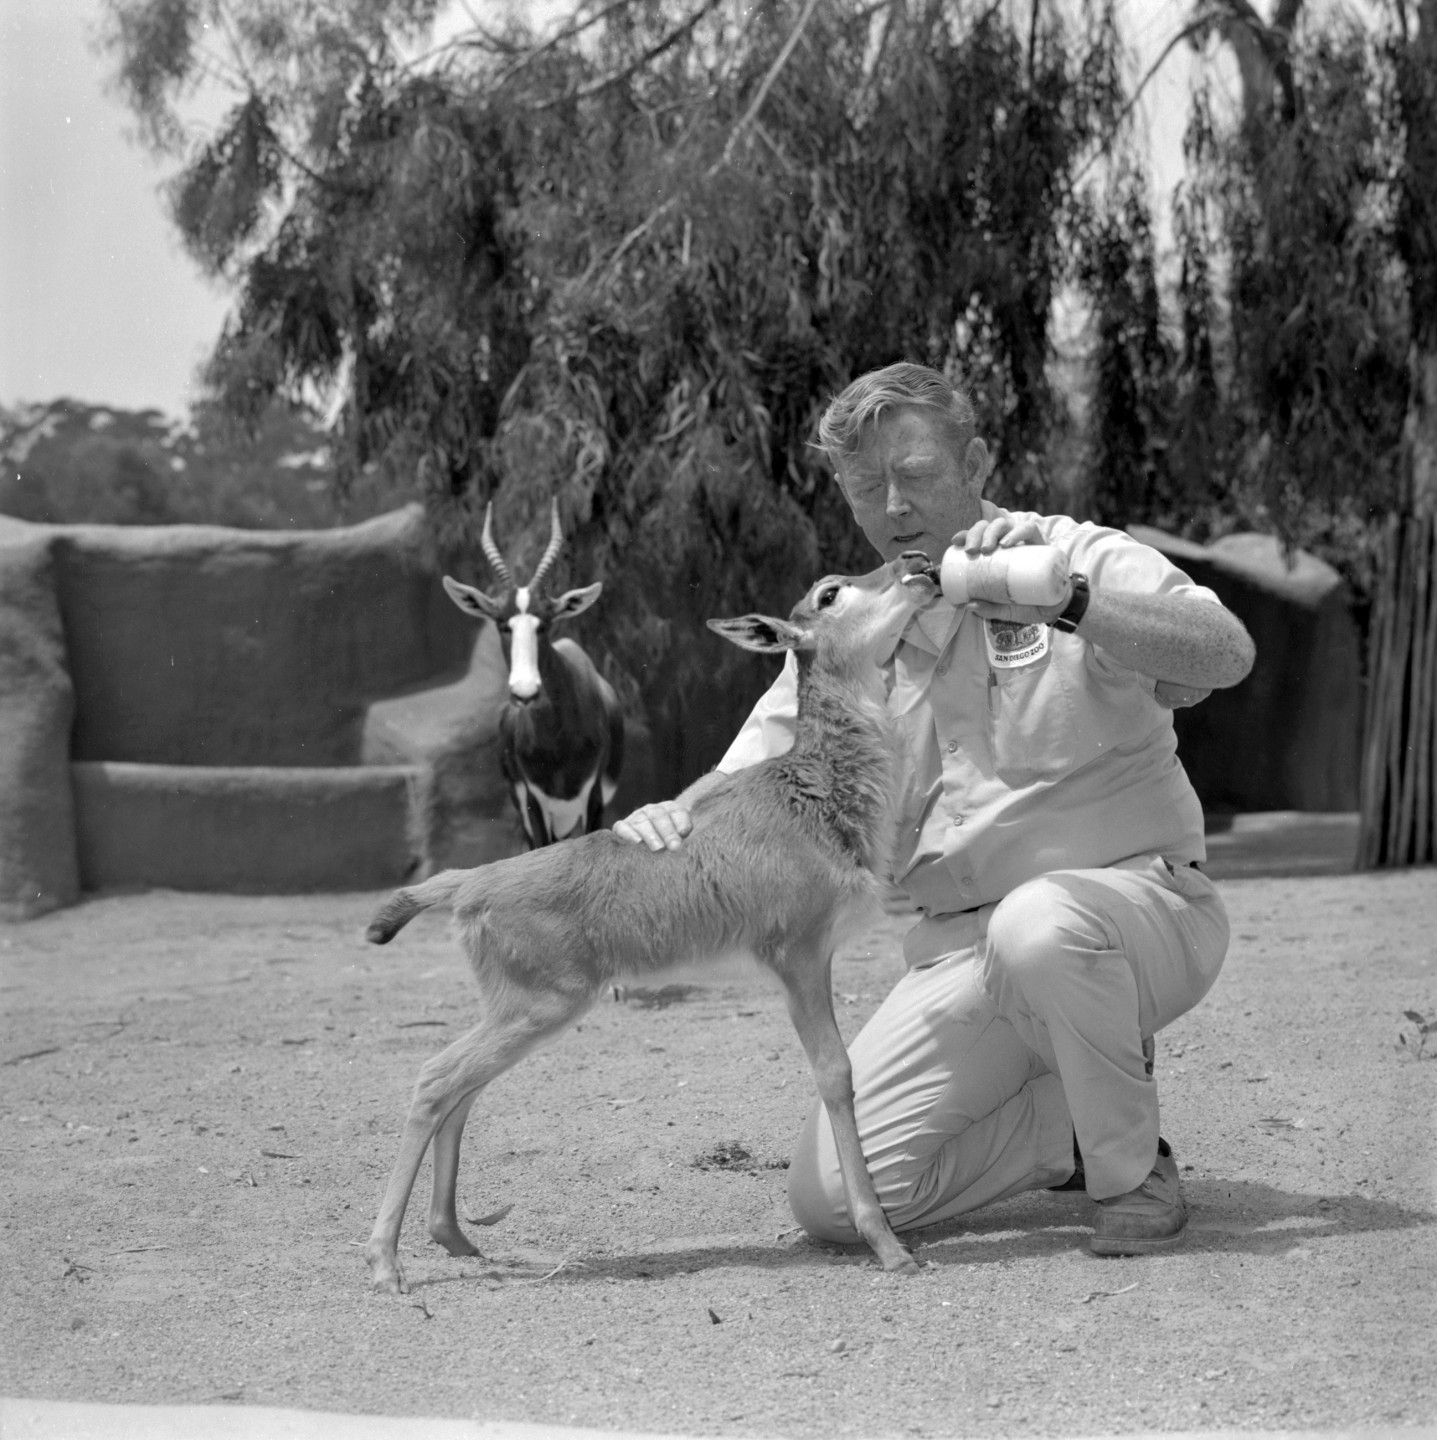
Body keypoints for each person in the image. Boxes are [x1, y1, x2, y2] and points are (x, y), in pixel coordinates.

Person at [615, 361, 1256, 1257]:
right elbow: (746, 780)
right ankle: (1060, 1131)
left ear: (977, 462)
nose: (895, 508)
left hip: (1136, 917)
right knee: (832, 1204)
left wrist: (1070, 602)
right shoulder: (849, 627)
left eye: (916, 476)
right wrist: (659, 825)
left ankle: (1129, 1173)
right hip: (961, 952)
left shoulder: (1072, 553)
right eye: (866, 488)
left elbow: (1222, 656)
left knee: (1041, 925)